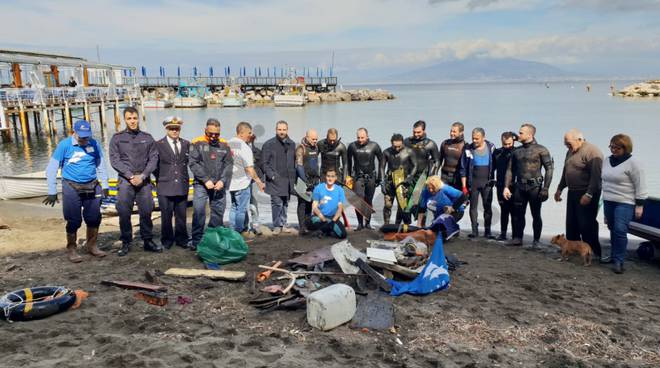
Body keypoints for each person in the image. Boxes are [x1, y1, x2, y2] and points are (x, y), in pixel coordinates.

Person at [44, 120, 110, 262]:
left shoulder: (94, 143)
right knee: (73, 220)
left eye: (87, 136)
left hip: (92, 185)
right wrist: (52, 191)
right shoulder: (64, 145)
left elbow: (101, 164)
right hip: (71, 185)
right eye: (82, 137)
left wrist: (105, 184)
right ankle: (72, 248)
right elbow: (51, 169)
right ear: (74, 132)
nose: (84, 140)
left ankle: (91, 245)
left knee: (94, 218)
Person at [109, 106, 160, 256]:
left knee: (146, 211)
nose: (132, 121)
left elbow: (153, 159)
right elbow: (114, 160)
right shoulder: (117, 138)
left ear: (139, 119)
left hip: (143, 180)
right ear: (124, 120)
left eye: (134, 118)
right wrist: (130, 176)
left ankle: (147, 240)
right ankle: (126, 242)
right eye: (129, 119)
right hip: (126, 180)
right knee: (124, 212)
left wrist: (143, 176)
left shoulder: (147, 137)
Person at [554, 129, 604, 259]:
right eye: (565, 144)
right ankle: (572, 250)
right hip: (573, 192)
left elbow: (596, 177)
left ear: (580, 140)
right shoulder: (570, 151)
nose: (567, 146)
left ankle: (594, 252)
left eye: (569, 143)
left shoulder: (592, 151)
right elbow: (566, 171)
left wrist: (589, 194)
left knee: (587, 225)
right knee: (571, 223)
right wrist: (560, 188)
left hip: (587, 192)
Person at [601, 134, 647, 274]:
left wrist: (639, 205)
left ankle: (619, 261)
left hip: (625, 202)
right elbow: (604, 181)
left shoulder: (634, 163)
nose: (613, 150)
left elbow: (641, 185)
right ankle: (614, 255)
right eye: (611, 146)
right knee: (611, 227)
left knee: (620, 230)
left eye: (617, 147)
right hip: (609, 200)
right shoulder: (607, 161)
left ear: (625, 148)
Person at [503, 123, 554, 247]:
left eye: (521, 133)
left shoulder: (541, 149)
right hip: (520, 187)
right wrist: (506, 187)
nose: (518, 134)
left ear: (530, 134)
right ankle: (517, 238)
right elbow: (509, 170)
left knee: (536, 215)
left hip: (535, 188)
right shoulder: (516, 151)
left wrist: (546, 188)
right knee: (518, 215)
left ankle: (536, 240)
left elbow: (549, 169)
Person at [189, 118, 233, 249]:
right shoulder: (196, 143)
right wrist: (205, 179)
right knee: (199, 211)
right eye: (211, 134)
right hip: (202, 184)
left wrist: (223, 181)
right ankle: (196, 240)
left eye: (217, 134)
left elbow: (229, 164)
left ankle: (213, 237)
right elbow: (193, 163)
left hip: (219, 184)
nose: (214, 136)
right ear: (205, 131)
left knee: (218, 211)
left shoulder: (224, 144)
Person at [154, 116, 191, 249]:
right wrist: (163, 177)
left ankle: (182, 239)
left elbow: (188, 162)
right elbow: (154, 166)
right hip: (165, 184)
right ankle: (167, 240)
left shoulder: (186, 143)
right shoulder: (158, 145)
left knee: (181, 214)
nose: (174, 131)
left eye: (177, 128)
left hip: (181, 184)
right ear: (166, 129)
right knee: (166, 215)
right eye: (171, 128)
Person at [228, 122, 265, 239]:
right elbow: (249, 168)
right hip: (242, 183)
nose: (251, 135)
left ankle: (232, 230)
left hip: (231, 183)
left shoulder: (228, 144)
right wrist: (259, 181)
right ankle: (238, 233)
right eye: (249, 133)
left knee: (233, 207)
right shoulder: (245, 147)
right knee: (241, 209)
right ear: (242, 133)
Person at [460, 127, 496, 239]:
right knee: (473, 208)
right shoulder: (468, 149)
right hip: (473, 183)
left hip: (487, 182)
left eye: (477, 139)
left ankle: (488, 231)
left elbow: (497, 164)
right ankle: (474, 231)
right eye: (473, 138)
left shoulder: (491, 147)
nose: (474, 141)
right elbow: (463, 169)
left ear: (483, 137)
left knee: (487, 207)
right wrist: (464, 186)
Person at [262, 120, 296, 234]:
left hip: (288, 180)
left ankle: (284, 223)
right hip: (274, 180)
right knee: (277, 203)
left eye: (284, 129)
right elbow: (263, 163)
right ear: (276, 130)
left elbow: (294, 162)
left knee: (285, 203)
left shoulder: (292, 144)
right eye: (279, 129)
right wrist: (271, 176)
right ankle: (277, 225)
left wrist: (294, 179)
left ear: (287, 130)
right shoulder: (269, 144)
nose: (282, 132)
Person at [347, 127, 383, 230]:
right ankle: (359, 224)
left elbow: (381, 161)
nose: (360, 140)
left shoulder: (374, 146)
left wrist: (380, 177)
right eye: (358, 137)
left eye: (362, 137)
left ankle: (367, 224)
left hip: (371, 177)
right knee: (358, 199)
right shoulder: (352, 146)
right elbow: (348, 163)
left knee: (368, 200)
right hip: (358, 177)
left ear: (367, 136)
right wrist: (349, 177)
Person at [382, 133, 418, 225]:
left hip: (403, 182)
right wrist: (382, 182)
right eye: (395, 146)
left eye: (399, 146)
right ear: (391, 143)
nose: (397, 149)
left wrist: (410, 177)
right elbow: (382, 168)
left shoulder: (409, 151)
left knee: (401, 206)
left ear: (402, 143)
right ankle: (386, 224)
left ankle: (398, 224)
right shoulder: (386, 152)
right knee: (388, 205)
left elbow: (415, 166)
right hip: (390, 182)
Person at [308, 169, 347, 239]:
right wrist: (323, 219)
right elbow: (314, 207)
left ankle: (323, 231)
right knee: (310, 221)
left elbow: (340, 208)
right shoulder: (318, 188)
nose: (330, 178)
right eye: (328, 176)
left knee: (343, 235)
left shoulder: (340, 190)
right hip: (320, 217)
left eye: (332, 176)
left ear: (336, 177)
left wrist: (333, 221)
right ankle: (327, 230)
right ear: (325, 177)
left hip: (333, 218)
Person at [295, 129, 320, 234]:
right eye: (313, 139)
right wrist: (305, 181)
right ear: (307, 137)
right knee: (302, 204)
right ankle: (302, 227)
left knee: (310, 203)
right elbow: (299, 166)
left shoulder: (316, 147)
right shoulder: (301, 148)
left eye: (316, 139)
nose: (315, 141)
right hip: (303, 180)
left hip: (314, 180)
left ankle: (308, 225)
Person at [493, 132, 517, 241]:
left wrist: (516, 136)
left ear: (513, 141)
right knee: (504, 210)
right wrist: (491, 181)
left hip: (514, 186)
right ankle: (503, 233)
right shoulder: (497, 152)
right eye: (505, 144)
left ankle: (515, 235)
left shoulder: (517, 151)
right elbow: (492, 168)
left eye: (509, 144)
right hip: (500, 185)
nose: (507, 146)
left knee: (514, 211)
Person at [438, 122, 466, 189]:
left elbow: (466, 166)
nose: (451, 133)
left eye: (454, 132)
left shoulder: (465, 145)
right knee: (443, 197)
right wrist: (435, 174)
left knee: (456, 198)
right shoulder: (445, 143)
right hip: (444, 176)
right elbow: (439, 160)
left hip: (457, 177)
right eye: (451, 131)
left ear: (461, 132)